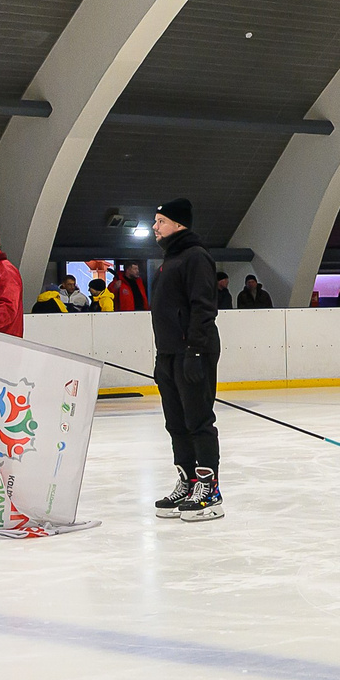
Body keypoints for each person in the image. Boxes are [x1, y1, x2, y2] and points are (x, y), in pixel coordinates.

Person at [149, 199, 224, 523]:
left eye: (161, 221)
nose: (155, 227)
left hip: (193, 351)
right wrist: (163, 356)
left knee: (197, 421)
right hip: (169, 353)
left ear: (179, 225)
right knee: (175, 423)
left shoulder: (195, 257)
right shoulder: (170, 260)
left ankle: (210, 489)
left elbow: (203, 307)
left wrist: (194, 351)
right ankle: (188, 480)